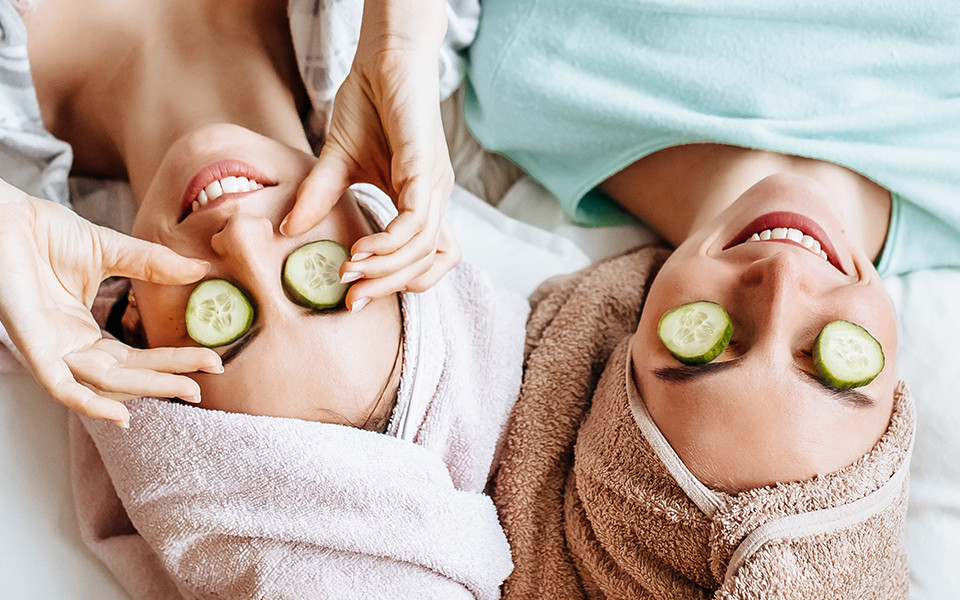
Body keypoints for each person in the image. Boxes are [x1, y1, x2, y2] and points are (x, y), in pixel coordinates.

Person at [457, 0, 959, 596]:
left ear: (624, 342)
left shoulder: (532, 78)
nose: (781, 281)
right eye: (832, 365)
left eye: (709, 344)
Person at [0, 0, 467, 428]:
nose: (241, 237)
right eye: (322, 270)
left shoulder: (16, 210)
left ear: (136, 327)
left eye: (219, 319)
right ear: (375, 219)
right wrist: (396, 43)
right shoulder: (408, 36)